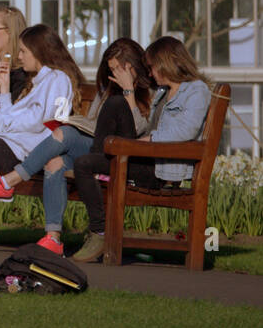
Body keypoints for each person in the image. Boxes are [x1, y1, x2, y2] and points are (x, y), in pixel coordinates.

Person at [0, 38, 157, 254]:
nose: (115, 75)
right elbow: (94, 125)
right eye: (111, 69)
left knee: (64, 135)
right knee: (55, 161)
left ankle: (9, 182)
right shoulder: (107, 89)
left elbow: (137, 131)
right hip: (96, 151)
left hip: (125, 155)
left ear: (133, 67)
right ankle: (53, 239)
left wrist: (128, 90)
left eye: (119, 69)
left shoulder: (150, 94)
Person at [68, 36, 212, 263]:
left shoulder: (196, 90)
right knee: (84, 163)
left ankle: (99, 229)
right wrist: (128, 93)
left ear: (167, 62)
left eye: (152, 66)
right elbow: (141, 129)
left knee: (115, 105)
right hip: (144, 159)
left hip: (160, 170)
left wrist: (150, 139)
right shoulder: (164, 93)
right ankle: (100, 231)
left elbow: (186, 131)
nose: (151, 73)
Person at [0, 23, 84, 173]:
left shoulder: (57, 79)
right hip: (9, 145)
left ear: (38, 52)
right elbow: (17, 117)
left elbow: (39, 122)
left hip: (18, 152)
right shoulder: (40, 81)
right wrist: (5, 88)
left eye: (23, 51)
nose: (19, 57)